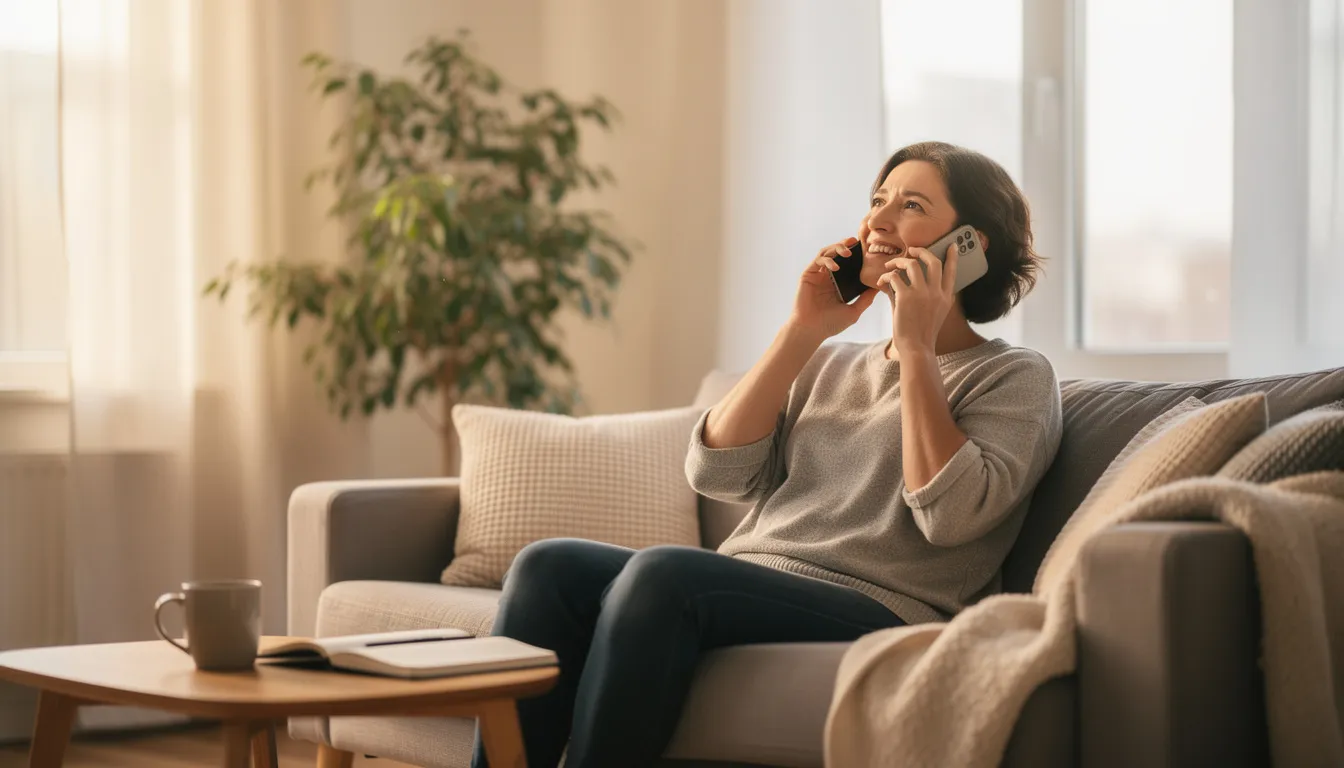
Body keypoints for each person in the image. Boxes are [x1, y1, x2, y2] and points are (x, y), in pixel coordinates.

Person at [470, 141, 1064, 768]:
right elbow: (716, 472)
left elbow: (953, 516)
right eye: (877, 202)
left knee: (665, 574)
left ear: (971, 247)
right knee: (547, 566)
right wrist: (803, 330)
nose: (879, 223)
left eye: (911, 206)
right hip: (760, 577)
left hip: (886, 607)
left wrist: (917, 348)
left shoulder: (1016, 377)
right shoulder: (831, 362)